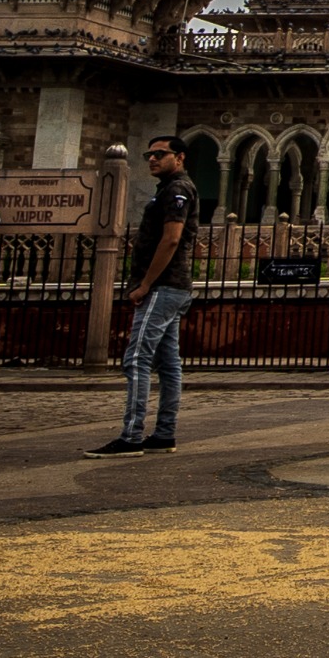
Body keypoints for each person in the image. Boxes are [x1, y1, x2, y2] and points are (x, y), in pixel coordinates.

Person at [85, 136, 198, 457]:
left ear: (180, 157)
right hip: (173, 287)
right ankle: (164, 433)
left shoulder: (177, 190)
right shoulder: (167, 189)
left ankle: (131, 436)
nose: (152, 159)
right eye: (150, 154)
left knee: (136, 359)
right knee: (168, 363)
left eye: (160, 154)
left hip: (163, 286)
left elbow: (172, 239)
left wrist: (146, 283)